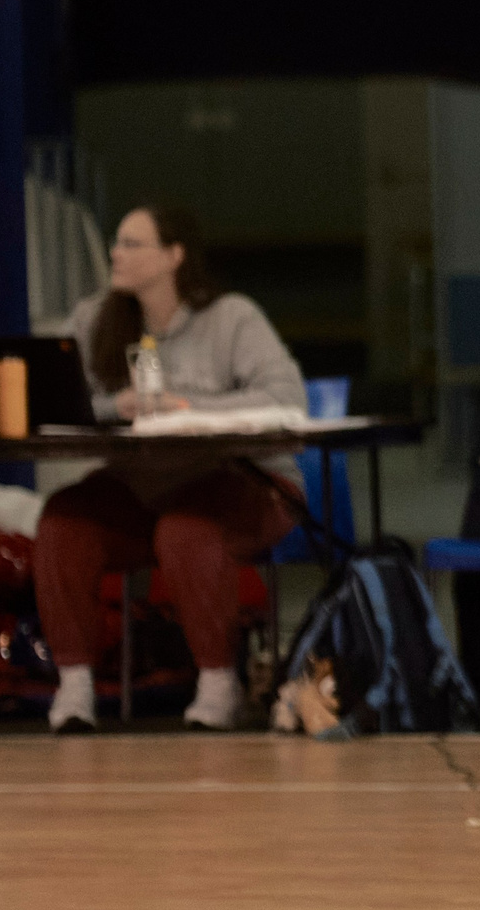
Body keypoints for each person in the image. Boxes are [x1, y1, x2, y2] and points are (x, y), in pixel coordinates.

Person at [36, 204, 308, 732]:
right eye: (116, 242)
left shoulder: (232, 317)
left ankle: (218, 684)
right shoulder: (95, 318)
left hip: (244, 481)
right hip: (143, 483)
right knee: (63, 522)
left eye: (131, 243)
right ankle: (74, 688)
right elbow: (62, 401)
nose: (115, 253)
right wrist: (120, 406)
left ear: (174, 255)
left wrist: (188, 407)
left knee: (186, 531)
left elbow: (286, 397)